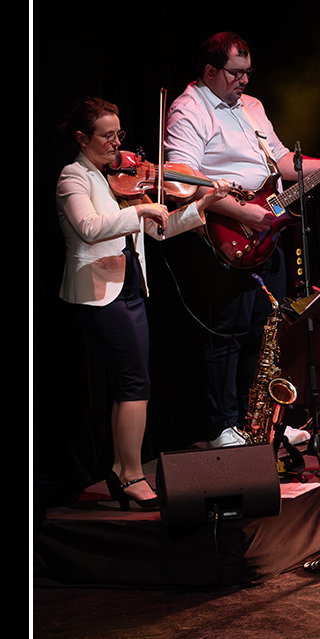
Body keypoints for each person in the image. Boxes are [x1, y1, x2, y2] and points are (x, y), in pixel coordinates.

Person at [163, 31, 320, 447]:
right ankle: (222, 427)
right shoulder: (189, 109)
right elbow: (181, 180)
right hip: (224, 238)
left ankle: (262, 426)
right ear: (210, 71)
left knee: (264, 331)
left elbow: (282, 160)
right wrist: (243, 213)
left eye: (248, 73)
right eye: (235, 73)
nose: (244, 81)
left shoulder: (251, 106)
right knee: (227, 335)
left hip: (266, 233)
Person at [57, 97, 231, 508]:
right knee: (135, 383)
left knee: (131, 383)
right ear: (82, 138)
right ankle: (132, 476)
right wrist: (140, 212)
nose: (116, 143)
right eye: (106, 136)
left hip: (130, 288)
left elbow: (159, 230)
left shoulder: (120, 178)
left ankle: (122, 470)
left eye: (118, 134)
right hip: (98, 293)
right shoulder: (73, 176)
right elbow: (89, 228)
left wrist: (202, 205)